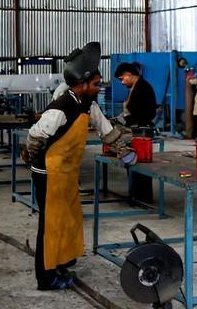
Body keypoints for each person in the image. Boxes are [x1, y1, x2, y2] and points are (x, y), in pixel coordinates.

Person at [25, 42, 128, 290]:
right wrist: (31, 155)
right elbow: (35, 137)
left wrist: (124, 149)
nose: (98, 87)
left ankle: (62, 262)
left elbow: (107, 131)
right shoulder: (61, 108)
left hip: (67, 173)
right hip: (48, 174)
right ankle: (47, 278)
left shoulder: (89, 105)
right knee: (50, 225)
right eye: (95, 84)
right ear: (81, 84)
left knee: (68, 220)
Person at [114, 62, 157, 204]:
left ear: (129, 75)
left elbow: (143, 113)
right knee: (132, 162)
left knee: (141, 164)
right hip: (136, 130)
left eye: (122, 78)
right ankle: (136, 195)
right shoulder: (135, 87)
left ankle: (143, 198)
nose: (122, 82)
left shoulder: (143, 88)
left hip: (142, 132)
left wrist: (123, 121)